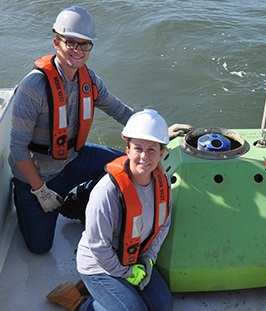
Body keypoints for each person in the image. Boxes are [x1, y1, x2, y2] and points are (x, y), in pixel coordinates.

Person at [9, 5, 191, 255]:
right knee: (40, 247)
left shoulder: (89, 79)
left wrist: (158, 132)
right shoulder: (32, 88)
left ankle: (78, 200)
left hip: (73, 161)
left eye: (85, 44)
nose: (78, 50)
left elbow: (120, 111)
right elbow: (17, 149)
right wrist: (40, 191)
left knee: (128, 162)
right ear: (56, 42)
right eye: (71, 42)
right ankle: (25, 199)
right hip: (38, 176)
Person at [47, 109, 174, 311]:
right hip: (99, 264)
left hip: (134, 256)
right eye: (138, 148)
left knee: (164, 307)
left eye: (152, 149)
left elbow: (163, 224)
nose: (144, 157)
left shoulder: (162, 182)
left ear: (162, 153)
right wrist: (126, 273)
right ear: (128, 149)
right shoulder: (107, 192)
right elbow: (98, 247)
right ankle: (77, 301)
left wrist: (149, 258)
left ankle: (107, 292)